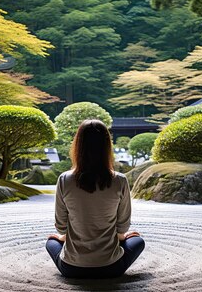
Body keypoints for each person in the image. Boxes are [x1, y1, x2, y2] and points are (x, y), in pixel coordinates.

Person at [46, 119, 145, 278]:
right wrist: (124, 238)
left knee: (51, 242)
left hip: (71, 268)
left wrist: (60, 238)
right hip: (111, 267)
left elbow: (61, 228)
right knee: (138, 241)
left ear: (78, 146)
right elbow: (122, 228)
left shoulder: (65, 180)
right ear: (107, 147)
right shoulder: (120, 181)